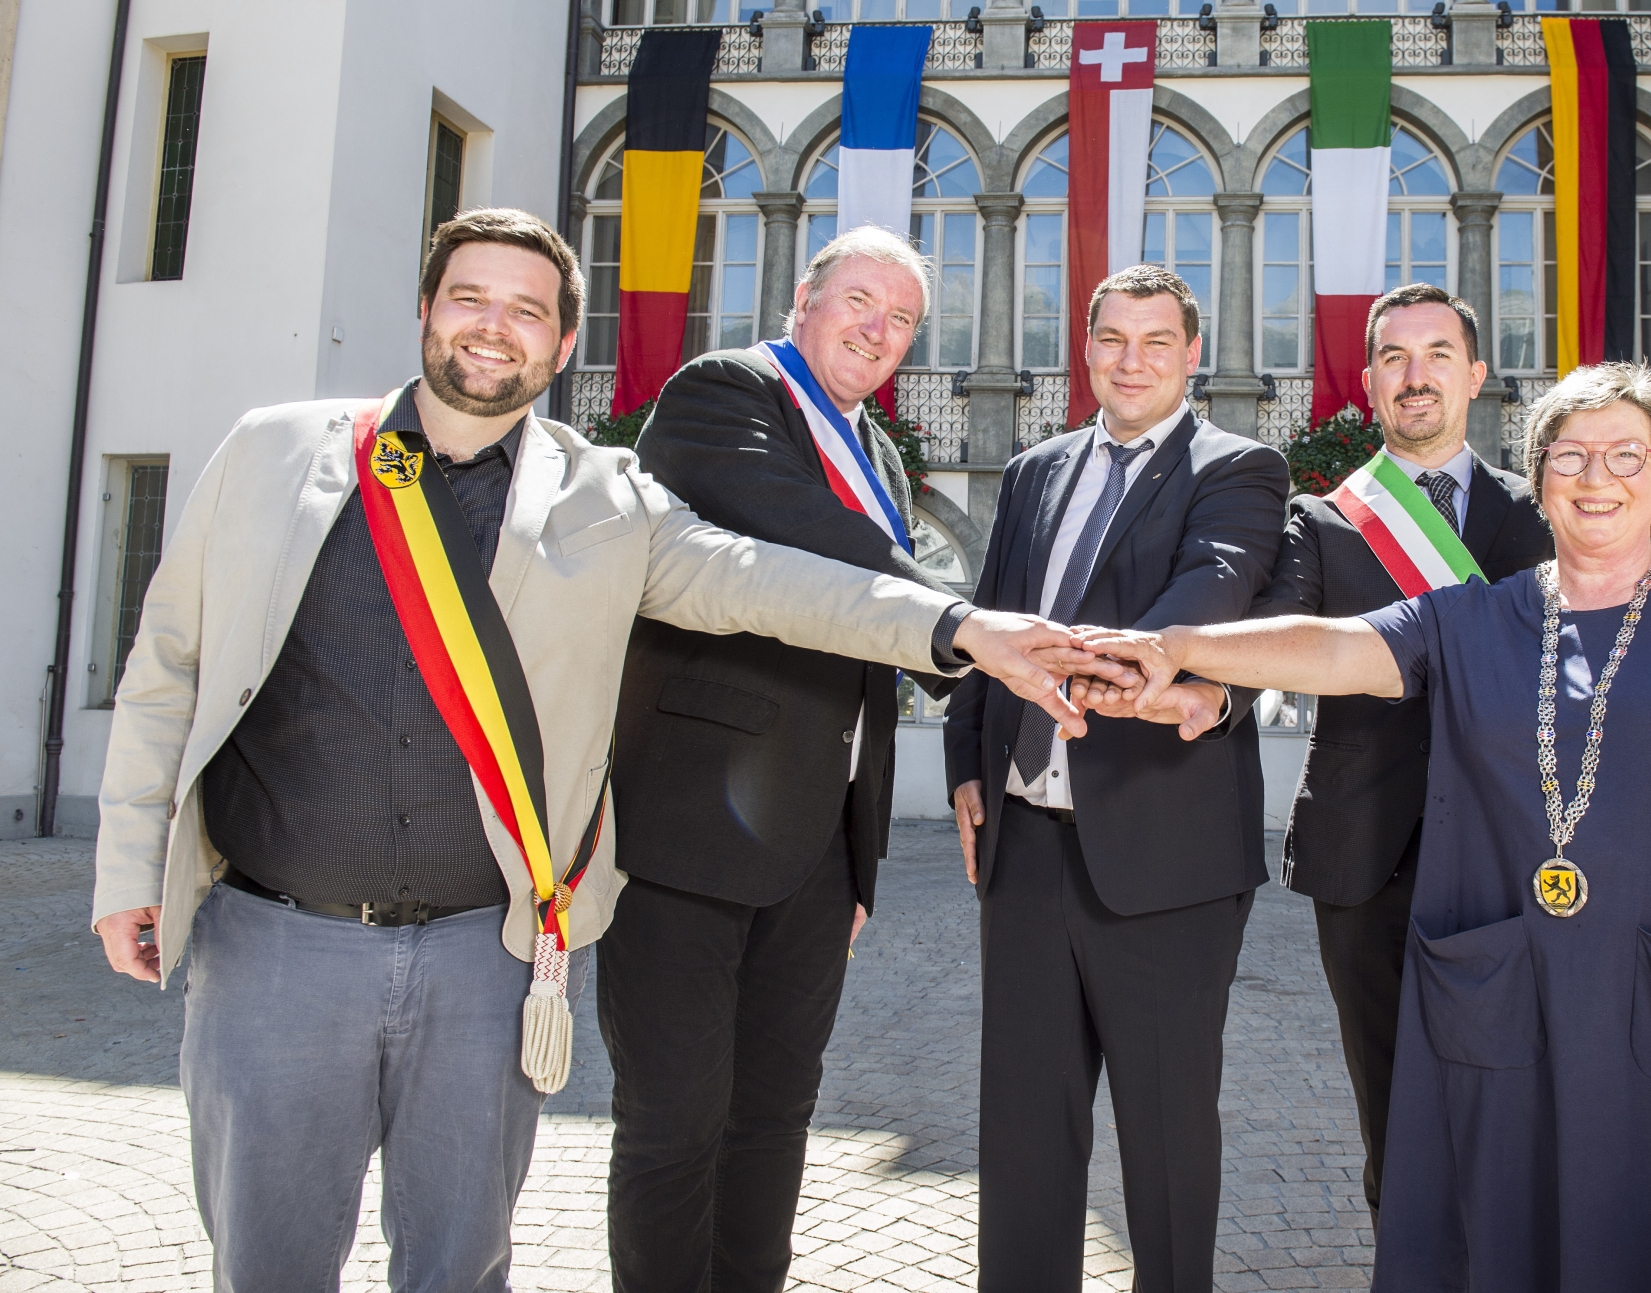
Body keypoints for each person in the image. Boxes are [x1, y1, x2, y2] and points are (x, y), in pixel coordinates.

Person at [89, 208, 1120, 1291]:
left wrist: (960, 630)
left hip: (482, 952)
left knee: (459, 1263)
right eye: (471, 299)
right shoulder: (273, 451)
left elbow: (753, 579)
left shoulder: (605, 498)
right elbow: (169, 664)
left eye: (528, 311)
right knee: (269, 1265)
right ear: (426, 308)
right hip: (276, 944)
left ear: (563, 343)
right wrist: (127, 870)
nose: (496, 329)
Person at [1080, 360, 1651, 1293]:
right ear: (1539, 477)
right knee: (1522, 1212)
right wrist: (1173, 643)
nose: (1598, 478)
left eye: (1627, 455)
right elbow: (1334, 645)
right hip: (1533, 997)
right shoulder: (1474, 617)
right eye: (1571, 456)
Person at [599, 226, 964, 1289]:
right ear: (803, 298)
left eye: (901, 320)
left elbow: (862, 673)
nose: (877, 330)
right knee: (673, 1121)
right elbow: (806, 537)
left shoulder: (880, 450)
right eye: (860, 300)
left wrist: (854, 856)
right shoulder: (722, 392)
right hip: (686, 837)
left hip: (814, 851)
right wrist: (964, 631)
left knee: (773, 1118)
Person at [942, 265, 1290, 1291]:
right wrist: (968, 759)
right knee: (1022, 1125)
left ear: (1192, 353)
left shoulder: (1238, 468)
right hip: (1022, 838)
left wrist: (1112, 662)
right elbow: (986, 617)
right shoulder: (1033, 471)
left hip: (1161, 850)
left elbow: (1209, 591)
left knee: (1166, 1127)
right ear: (1083, 347)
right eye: (1110, 339)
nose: (1129, 361)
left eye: (1154, 341)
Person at [1259, 283, 1549, 1223]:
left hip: (1514, 849)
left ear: (1475, 373)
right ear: (1369, 380)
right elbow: (1276, 634)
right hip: (1365, 850)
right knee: (1389, 1103)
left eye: (1435, 354)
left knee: (1514, 1093)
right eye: (1393, 356)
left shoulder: (1538, 514)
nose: (1414, 375)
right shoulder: (1327, 518)